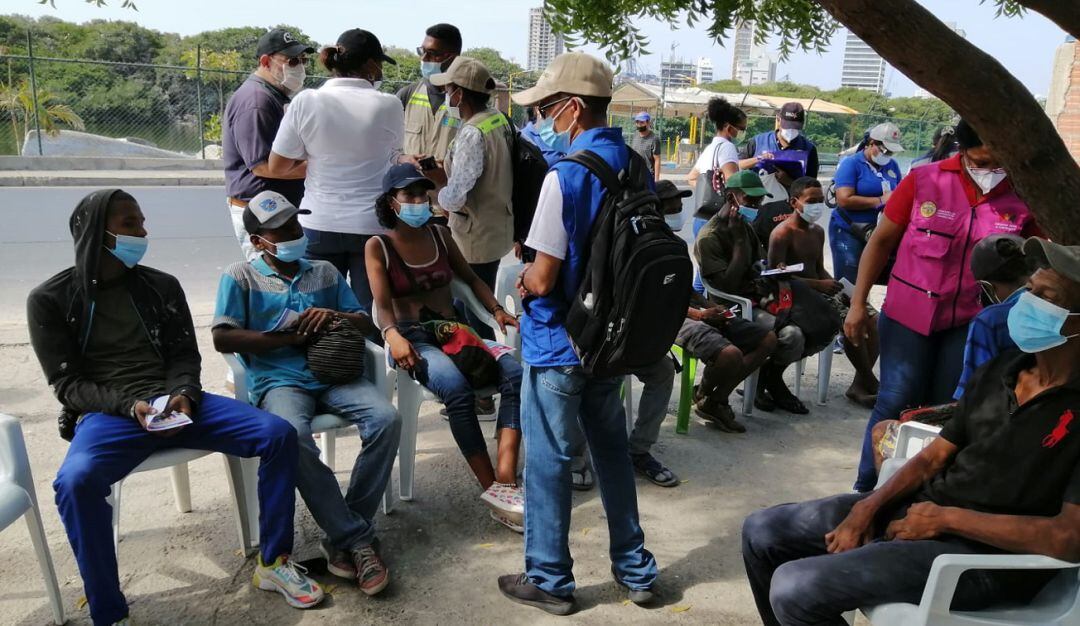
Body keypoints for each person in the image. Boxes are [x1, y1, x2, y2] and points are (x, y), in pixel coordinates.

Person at [742, 236, 1080, 625]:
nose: (1027, 303)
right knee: (761, 531)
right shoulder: (1003, 369)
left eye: (1046, 297)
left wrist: (945, 520)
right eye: (1030, 290)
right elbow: (934, 457)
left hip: (985, 559)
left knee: (795, 588)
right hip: (923, 513)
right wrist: (868, 507)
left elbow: (1067, 539)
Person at [27, 189, 324, 625]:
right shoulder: (51, 299)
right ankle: (109, 612)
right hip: (112, 414)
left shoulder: (160, 286)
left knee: (278, 434)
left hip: (177, 402)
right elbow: (67, 384)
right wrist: (130, 406)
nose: (143, 232)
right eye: (130, 224)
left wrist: (184, 392)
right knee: (75, 482)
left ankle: (273, 561)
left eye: (142, 221)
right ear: (96, 232)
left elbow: (185, 354)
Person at [497, 52, 658, 615]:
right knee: (611, 454)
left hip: (559, 342)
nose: (541, 118)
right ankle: (635, 569)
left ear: (571, 108)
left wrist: (523, 278)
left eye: (545, 108)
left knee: (548, 461)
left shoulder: (564, 175)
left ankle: (549, 578)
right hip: (613, 340)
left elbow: (543, 278)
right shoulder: (635, 164)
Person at [211, 191, 402, 596]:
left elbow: (364, 323)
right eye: (282, 230)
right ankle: (357, 540)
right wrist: (284, 337)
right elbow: (223, 337)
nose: (295, 234)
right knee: (291, 436)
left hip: (335, 374)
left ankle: (343, 535)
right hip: (280, 381)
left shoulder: (324, 271)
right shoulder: (240, 275)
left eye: (295, 224)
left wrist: (333, 316)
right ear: (259, 240)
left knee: (387, 419)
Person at [845, 119, 1038, 492]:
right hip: (908, 315)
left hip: (970, 321)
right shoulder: (923, 180)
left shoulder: (1023, 194)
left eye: (998, 161)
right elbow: (880, 242)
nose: (991, 170)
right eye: (981, 161)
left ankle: (918, 493)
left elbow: (1039, 264)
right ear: (963, 151)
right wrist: (858, 304)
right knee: (895, 401)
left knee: (945, 409)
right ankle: (866, 488)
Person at [365, 164, 525, 532]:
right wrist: (392, 335)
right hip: (410, 338)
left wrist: (497, 310)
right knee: (455, 389)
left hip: (455, 332)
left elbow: (470, 279)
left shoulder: (440, 234)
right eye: (409, 195)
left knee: (515, 375)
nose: (419, 201)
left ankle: (505, 479)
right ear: (391, 202)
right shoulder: (378, 246)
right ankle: (493, 490)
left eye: (423, 194)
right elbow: (382, 306)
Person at [267, 28, 411, 312]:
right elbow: (393, 155)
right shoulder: (389, 104)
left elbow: (277, 166)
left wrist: (321, 160)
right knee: (372, 313)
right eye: (380, 64)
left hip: (319, 223)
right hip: (371, 225)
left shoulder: (306, 101)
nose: (380, 70)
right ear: (370, 64)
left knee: (318, 314)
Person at [869, 233, 1036, 471]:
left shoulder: (991, 320)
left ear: (987, 287)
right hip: (1038, 417)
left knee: (886, 430)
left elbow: (971, 394)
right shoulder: (1059, 310)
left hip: (998, 425)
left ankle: (878, 489)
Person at [696, 170, 809, 414]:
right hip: (733, 305)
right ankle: (725, 391)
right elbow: (726, 286)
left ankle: (767, 379)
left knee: (806, 327)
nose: (756, 207)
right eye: (750, 201)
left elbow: (759, 261)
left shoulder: (745, 227)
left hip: (757, 297)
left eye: (759, 201)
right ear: (731, 198)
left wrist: (772, 269)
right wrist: (738, 243)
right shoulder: (710, 236)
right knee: (791, 335)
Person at [768, 177, 879, 407]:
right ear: (794, 202)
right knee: (850, 323)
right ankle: (870, 381)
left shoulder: (817, 231)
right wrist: (818, 285)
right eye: (811, 201)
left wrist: (839, 287)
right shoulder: (782, 234)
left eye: (820, 200)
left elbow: (819, 269)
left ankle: (860, 383)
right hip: (800, 294)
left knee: (874, 320)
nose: (817, 206)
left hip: (822, 290)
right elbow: (777, 277)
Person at [430, 56, 515, 340]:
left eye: (447, 90)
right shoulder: (498, 120)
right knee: (481, 303)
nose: (446, 96)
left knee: (475, 311)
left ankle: (487, 358)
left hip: (472, 235)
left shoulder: (472, 133)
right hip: (496, 227)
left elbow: (455, 197)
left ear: (460, 94)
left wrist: (436, 187)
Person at [222, 28, 313, 260]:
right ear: (265, 61)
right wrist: (319, 167)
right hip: (263, 212)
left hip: (278, 209)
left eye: (303, 60)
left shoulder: (275, 95)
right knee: (271, 275)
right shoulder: (257, 101)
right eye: (292, 61)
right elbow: (263, 166)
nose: (300, 67)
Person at [687, 97, 746, 294]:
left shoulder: (710, 148)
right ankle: (702, 307)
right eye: (741, 129)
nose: (742, 133)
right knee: (714, 274)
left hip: (702, 216)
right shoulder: (727, 147)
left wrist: (709, 191)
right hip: (718, 219)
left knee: (704, 270)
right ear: (729, 127)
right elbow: (733, 184)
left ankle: (696, 304)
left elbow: (692, 177)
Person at [396, 23, 462, 164]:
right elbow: (390, 147)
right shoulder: (407, 95)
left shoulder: (465, 100)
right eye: (422, 51)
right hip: (411, 177)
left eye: (432, 53)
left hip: (450, 178)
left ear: (452, 58)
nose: (423, 58)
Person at [738, 102, 820, 197]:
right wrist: (759, 159)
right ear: (778, 119)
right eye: (787, 126)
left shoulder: (809, 149)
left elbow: (811, 187)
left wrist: (790, 182)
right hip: (759, 200)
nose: (791, 130)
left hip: (789, 202)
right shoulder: (758, 141)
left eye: (795, 127)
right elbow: (738, 164)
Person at [629, 111, 662, 182]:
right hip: (635, 174)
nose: (639, 125)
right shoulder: (635, 135)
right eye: (637, 122)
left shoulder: (654, 139)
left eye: (642, 122)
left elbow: (657, 160)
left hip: (648, 175)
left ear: (648, 123)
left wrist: (656, 180)